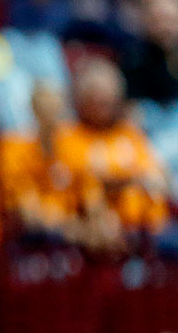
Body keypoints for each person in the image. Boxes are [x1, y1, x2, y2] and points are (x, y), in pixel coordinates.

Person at [55, 57, 169, 251]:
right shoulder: (67, 136)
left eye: (108, 100)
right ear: (82, 100)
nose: (103, 106)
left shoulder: (129, 134)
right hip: (90, 231)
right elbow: (78, 178)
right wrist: (127, 179)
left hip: (142, 229)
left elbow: (155, 175)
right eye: (96, 100)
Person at [0, 83, 81, 259]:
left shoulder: (69, 146)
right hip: (14, 243)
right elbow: (29, 215)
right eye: (47, 110)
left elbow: (87, 192)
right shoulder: (12, 148)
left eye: (58, 110)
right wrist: (76, 228)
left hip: (62, 234)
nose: (54, 117)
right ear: (34, 111)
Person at [122, 0, 178, 104]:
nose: (165, 28)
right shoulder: (134, 58)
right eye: (158, 21)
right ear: (147, 23)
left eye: (171, 21)